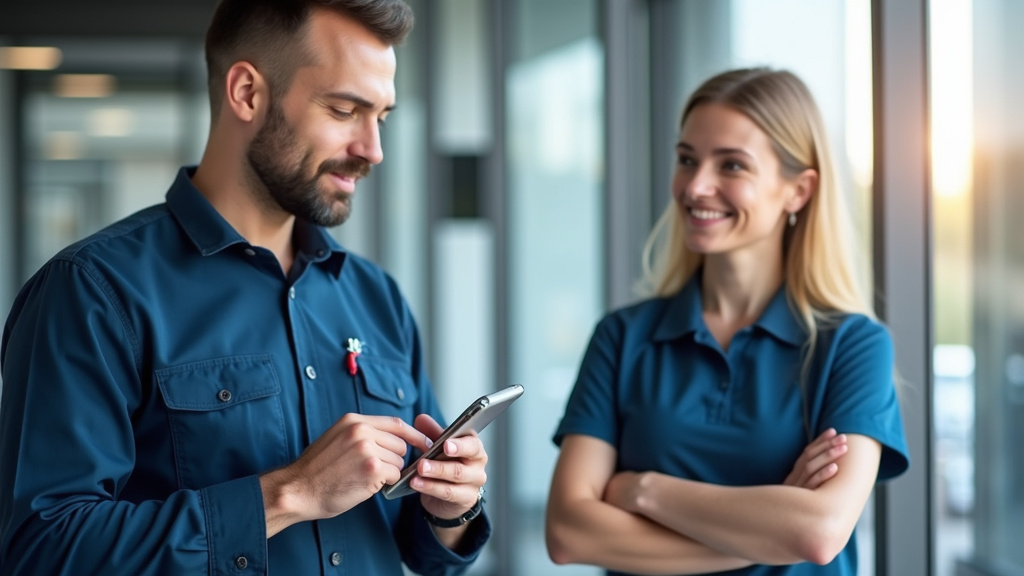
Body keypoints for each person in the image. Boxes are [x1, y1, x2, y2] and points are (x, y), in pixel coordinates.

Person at [0, 1, 491, 574]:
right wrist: (289, 494)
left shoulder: (376, 297)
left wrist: (451, 507)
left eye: (380, 117)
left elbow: (428, 553)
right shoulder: (91, 292)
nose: (372, 149)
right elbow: (42, 548)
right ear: (247, 93)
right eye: (344, 110)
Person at [545, 67, 909, 576]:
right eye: (686, 160)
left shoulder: (853, 346)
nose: (696, 187)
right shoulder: (622, 336)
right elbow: (568, 532)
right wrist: (772, 530)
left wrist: (644, 490)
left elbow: (821, 531)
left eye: (732, 165)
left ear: (798, 190)